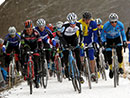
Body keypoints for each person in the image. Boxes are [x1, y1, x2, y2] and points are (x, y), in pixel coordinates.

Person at [101, 13, 127, 79]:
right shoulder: (106, 26)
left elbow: (123, 34)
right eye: (112, 22)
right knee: (108, 54)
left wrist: (124, 41)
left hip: (117, 39)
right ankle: (110, 69)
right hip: (108, 39)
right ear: (109, 21)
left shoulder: (120, 25)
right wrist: (104, 42)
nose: (114, 23)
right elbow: (102, 35)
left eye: (115, 21)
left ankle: (120, 67)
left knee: (119, 52)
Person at [60, 12, 84, 83]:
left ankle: (79, 73)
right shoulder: (65, 26)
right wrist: (64, 45)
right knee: (66, 54)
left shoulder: (79, 25)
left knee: (77, 55)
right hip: (65, 39)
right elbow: (61, 36)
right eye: (71, 23)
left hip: (73, 38)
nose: (73, 25)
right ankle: (66, 67)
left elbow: (81, 34)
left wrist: (80, 42)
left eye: (74, 23)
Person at [21, 20, 42, 88]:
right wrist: (23, 48)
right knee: (23, 55)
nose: (29, 31)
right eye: (27, 29)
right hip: (27, 46)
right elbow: (22, 44)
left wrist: (40, 48)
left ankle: (36, 79)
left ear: (32, 28)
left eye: (30, 29)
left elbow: (39, 42)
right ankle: (25, 68)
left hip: (35, 46)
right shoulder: (23, 34)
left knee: (36, 61)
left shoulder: (36, 33)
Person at [79, 11, 98, 81]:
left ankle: (93, 73)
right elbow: (78, 35)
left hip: (90, 40)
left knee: (91, 55)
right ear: (83, 19)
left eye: (88, 19)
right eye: (85, 19)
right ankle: (81, 69)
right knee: (81, 54)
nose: (87, 21)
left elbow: (95, 34)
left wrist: (94, 42)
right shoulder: (79, 23)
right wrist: (79, 43)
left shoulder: (93, 23)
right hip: (82, 40)